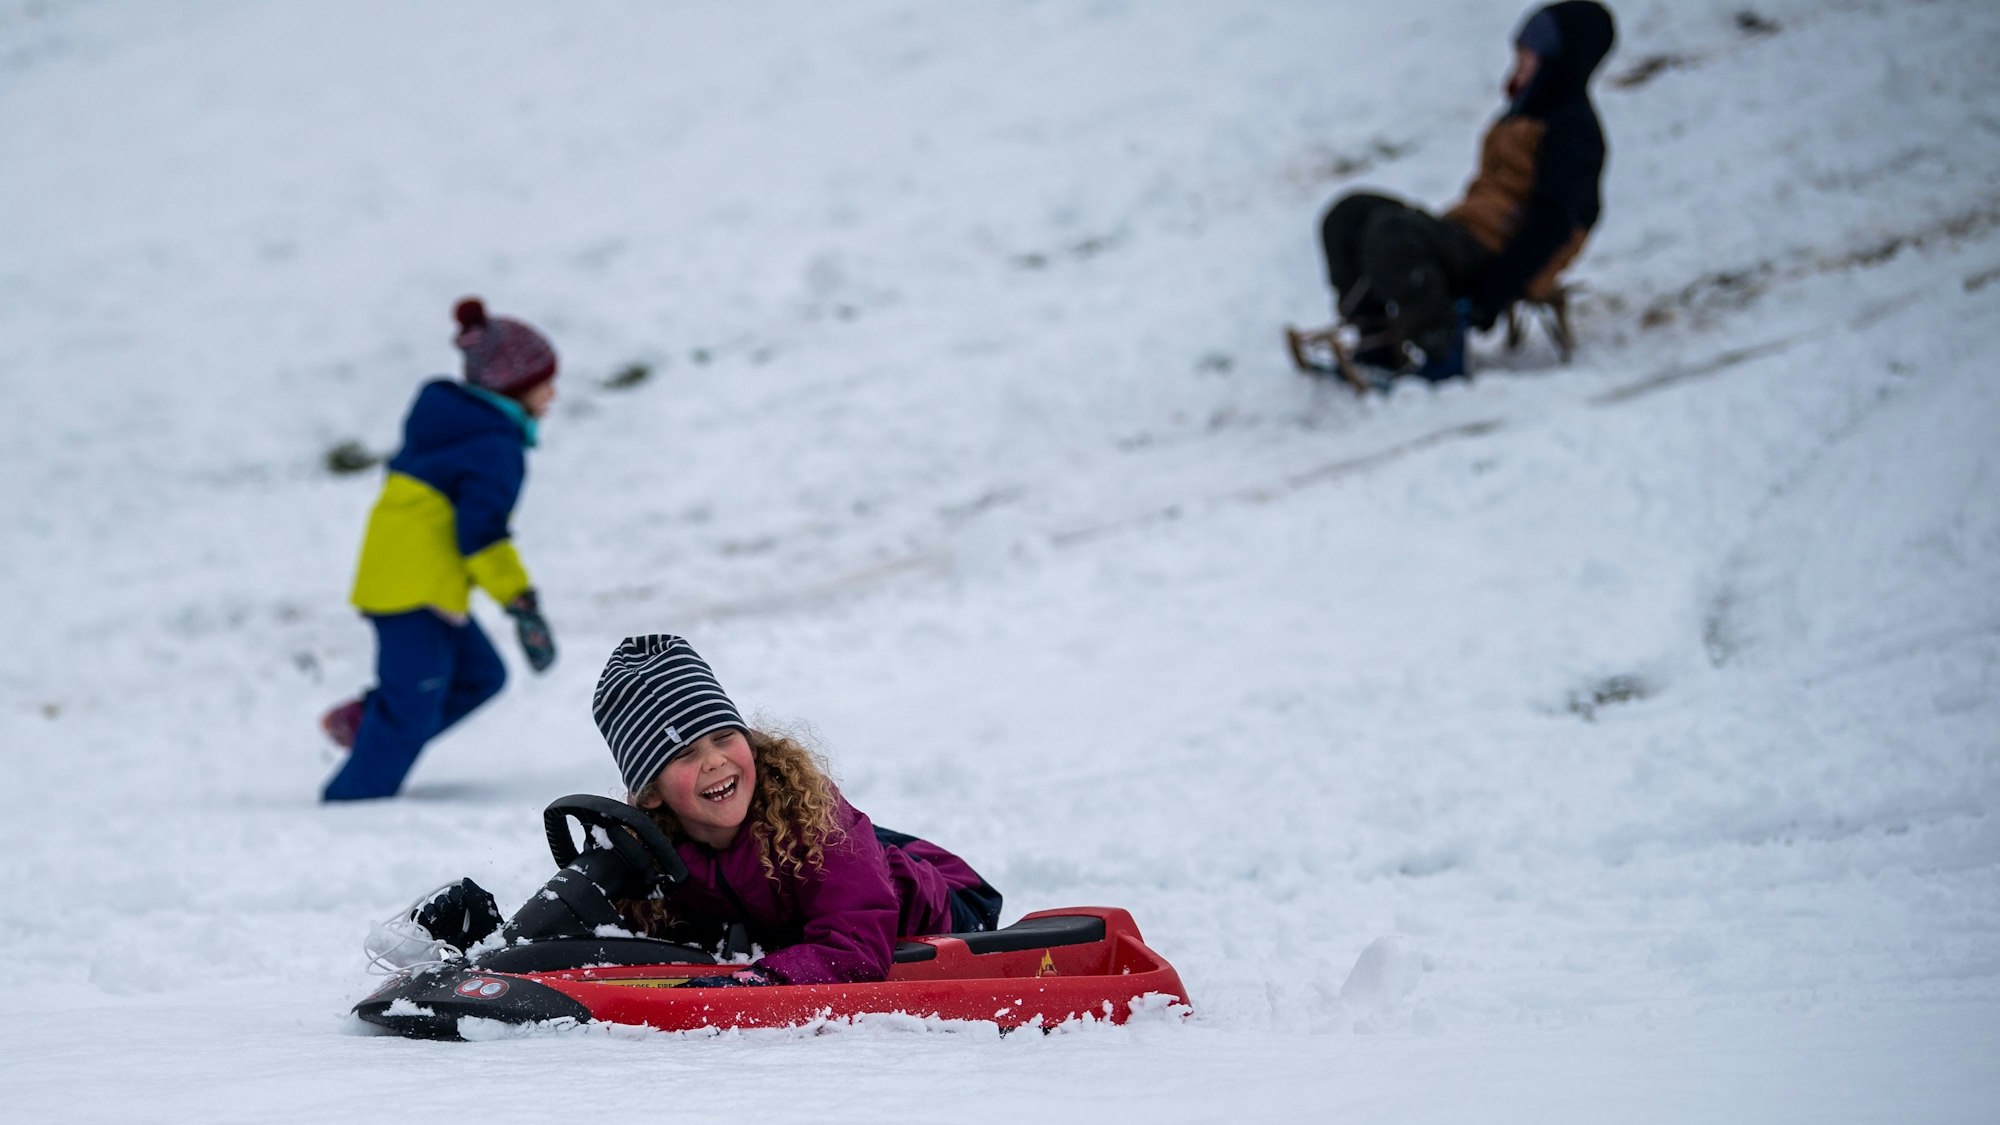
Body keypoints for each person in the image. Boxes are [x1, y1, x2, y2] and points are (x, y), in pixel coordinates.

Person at [593, 633, 1001, 986]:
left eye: (723, 737)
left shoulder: (811, 817)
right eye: (685, 754)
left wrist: (756, 984)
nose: (715, 761)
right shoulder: (651, 854)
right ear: (651, 793)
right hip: (827, 900)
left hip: (951, 907)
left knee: (854, 853)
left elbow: (854, 946)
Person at [318, 298, 560, 802]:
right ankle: (350, 803)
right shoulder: (493, 445)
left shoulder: (453, 425)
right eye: (544, 383)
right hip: (414, 592)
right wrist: (519, 600)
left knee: (480, 676)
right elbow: (481, 534)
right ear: (514, 386)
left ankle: (371, 723)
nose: (552, 394)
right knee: (409, 711)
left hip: (411, 581)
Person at [1317, 1, 1615, 380]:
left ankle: (1442, 351)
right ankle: (1376, 338)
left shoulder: (1571, 130)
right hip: (1467, 237)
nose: (1518, 63)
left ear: (1558, 64)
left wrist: (1490, 297)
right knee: (1350, 213)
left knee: (1392, 233)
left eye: (1528, 56)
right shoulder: (1523, 114)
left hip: (1499, 258)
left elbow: (1555, 223)